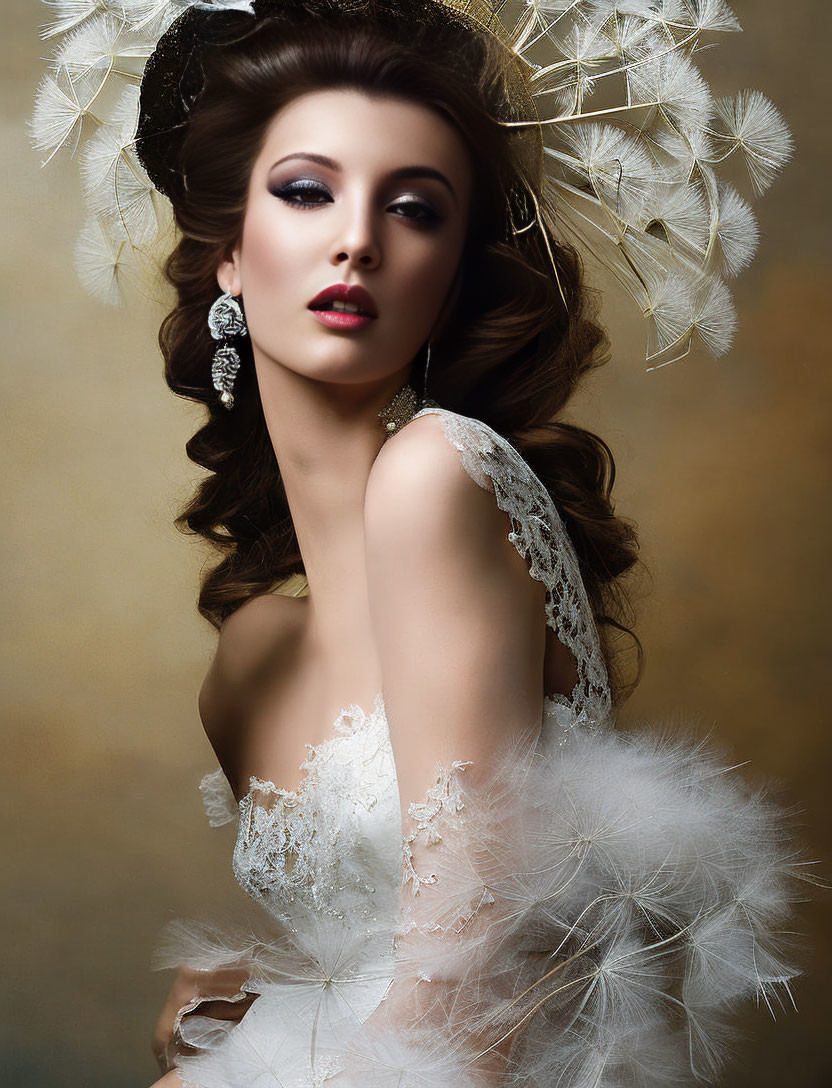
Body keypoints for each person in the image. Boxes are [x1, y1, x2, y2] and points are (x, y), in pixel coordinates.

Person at [33, 2, 816, 1085]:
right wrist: (240, 1016)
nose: (357, 236)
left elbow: (480, 1010)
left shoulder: (439, 474)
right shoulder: (250, 659)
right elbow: (386, 974)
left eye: (414, 208)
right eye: (306, 190)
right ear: (227, 253)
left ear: (449, 273)